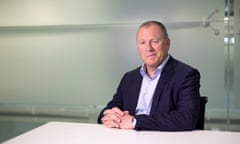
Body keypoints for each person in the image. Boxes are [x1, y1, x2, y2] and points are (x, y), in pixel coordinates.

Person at [97, 20, 201, 131]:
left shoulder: (186, 75)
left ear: (167, 43)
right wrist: (109, 117)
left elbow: (186, 118)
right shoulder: (129, 78)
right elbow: (110, 109)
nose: (148, 48)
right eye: (142, 43)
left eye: (154, 42)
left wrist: (135, 122)